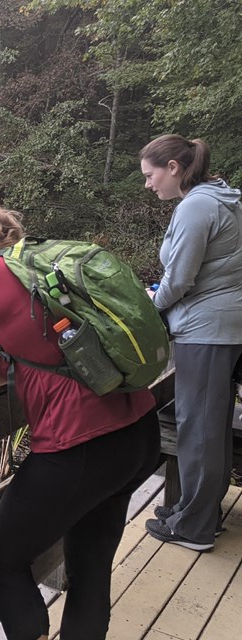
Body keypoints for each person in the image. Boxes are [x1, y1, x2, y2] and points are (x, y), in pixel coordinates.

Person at [0, 190, 160, 640]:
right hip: (138, 430)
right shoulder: (37, 259)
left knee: (2, 554)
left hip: (79, 443)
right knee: (90, 566)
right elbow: (46, 349)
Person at [139, 134, 242, 551]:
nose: (149, 185)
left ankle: (195, 527)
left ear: (174, 168)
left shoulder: (196, 206)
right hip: (228, 325)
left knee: (198, 428)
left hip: (207, 329)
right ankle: (196, 510)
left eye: (151, 175)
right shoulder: (226, 197)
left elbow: (179, 279)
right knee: (212, 426)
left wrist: (150, 308)